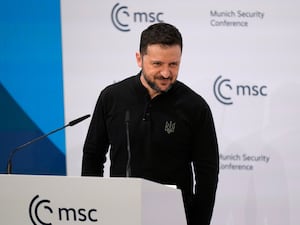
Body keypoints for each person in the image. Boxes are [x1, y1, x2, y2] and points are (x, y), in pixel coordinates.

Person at [81, 22, 219, 225]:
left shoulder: (195, 107)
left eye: (173, 64)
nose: (166, 73)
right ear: (139, 59)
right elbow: (93, 157)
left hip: (174, 217)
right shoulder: (112, 97)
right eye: (157, 64)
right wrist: (94, 209)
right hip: (119, 214)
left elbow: (207, 174)